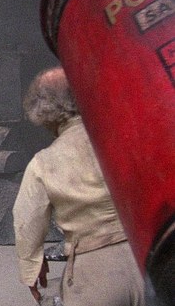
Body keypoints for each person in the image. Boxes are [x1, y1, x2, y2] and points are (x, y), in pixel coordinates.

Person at [13, 66, 146, 305]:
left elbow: (27, 219)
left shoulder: (43, 163)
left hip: (95, 271)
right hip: (149, 259)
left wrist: (32, 266)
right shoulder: (126, 136)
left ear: (42, 111)